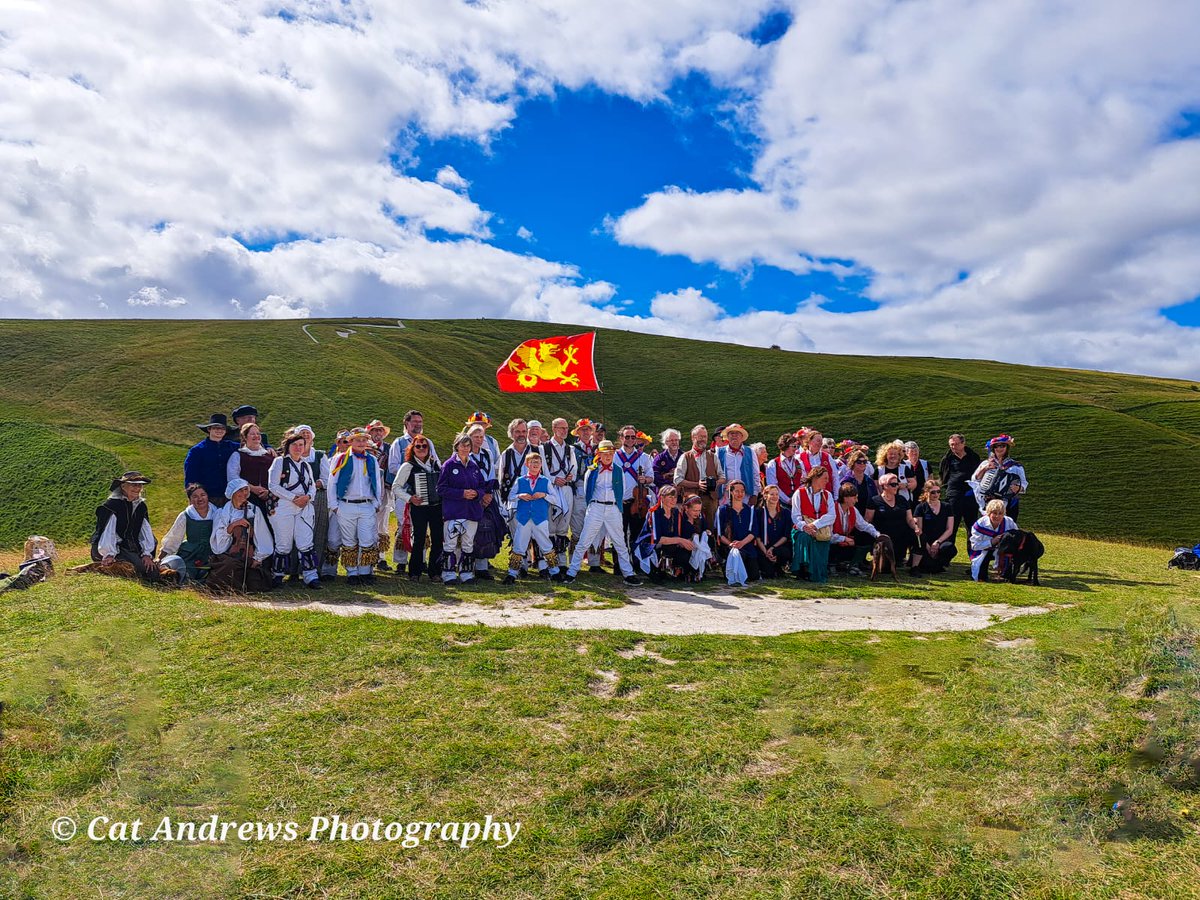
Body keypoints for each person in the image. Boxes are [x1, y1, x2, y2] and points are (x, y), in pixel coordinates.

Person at [561, 440, 642, 586]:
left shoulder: (618, 470)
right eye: (605, 454)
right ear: (599, 454)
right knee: (584, 540)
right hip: (596, 507)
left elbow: (621, 490)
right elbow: (587, 491)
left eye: (611, 454)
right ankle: (572, 572)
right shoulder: (591, 470)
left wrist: (616, 505)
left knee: (620, 542)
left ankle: (628, 573)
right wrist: (593, 506)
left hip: (613, 508)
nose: (608, 457)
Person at [80, 472, 166, 582]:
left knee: (151, 571)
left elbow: (145, 532)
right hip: (107, 548)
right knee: (138, 570)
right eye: (133, 485)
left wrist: (147, 554)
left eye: (139, 485)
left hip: (130, 547)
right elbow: (108, 532)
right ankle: (94, 567)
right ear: (123, 486)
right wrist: (109, 554)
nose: (137, 488)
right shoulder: (112, 506)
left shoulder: (141, 506)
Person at [328, 427, 384, 586]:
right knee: (349, 540)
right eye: (357, 440)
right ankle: (352, 572)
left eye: (364, 440)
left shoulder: (371, 460)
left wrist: (376, 503)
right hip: (346, 505)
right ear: (351, 442)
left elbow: (377, 483)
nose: (361, 443)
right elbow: (332, 483)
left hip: (366, 504)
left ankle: (365, 571)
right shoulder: (340, 458)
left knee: (367, 539)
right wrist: (335, 505)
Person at [267, 431, 321, 589]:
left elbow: (312, 485)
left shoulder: (306, 465)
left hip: (304, 507)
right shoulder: (279, 462)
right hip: (284, 507)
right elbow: (273, 485)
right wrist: (293, 498)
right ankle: (278, 575)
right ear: (287, 446)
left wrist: (308, 498)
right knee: (283, 544)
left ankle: (311, 575)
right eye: (295, 445)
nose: (298, 448)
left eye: (301, 445)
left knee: (306, 543)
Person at [387, 410, 438, 570]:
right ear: (406, 424)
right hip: (406, 492)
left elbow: (436, 463)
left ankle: (420, 560)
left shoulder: (427, 442)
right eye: (414, 421)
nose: (418, 424)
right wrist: (410, 472)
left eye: (420, 422)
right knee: (404, 526)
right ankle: (401, 561)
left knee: (421, 528)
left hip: (424, 493)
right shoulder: (399, 442)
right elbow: (392, 466)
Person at [208, 478, 275, 592]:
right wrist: (233, 525)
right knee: (229, 566)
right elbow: (219, 545)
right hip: (229, 554)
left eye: (245, 490)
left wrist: (257, 558)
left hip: (250, 554)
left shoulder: (254, 511)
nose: (244, 493)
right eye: (240, 490)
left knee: (255, 579)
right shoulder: (222, 513)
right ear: (232, 493)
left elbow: (263, 536)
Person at [503, 453, 562, 584]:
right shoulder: (520, 480)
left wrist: (543, 495)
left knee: (546, 544)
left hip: (540, 518)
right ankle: (512, 573)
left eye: (538, 462)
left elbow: (555, 498)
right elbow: (510, 496)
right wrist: (520, 495)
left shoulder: (545, 481)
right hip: (523, 518)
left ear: (541, 465)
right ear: (527, 464)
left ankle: (555, 572)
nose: (535, 465)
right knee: (519, 544)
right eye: (532, 462)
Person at [438, 432, 486, 584]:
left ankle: (466, 574)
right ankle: (448, 574)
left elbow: (482, 486)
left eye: (467, 445)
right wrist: (461, 493)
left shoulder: (473, 466)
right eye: (462, 445)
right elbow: (441, 489)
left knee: (468, 543)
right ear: (456, 446)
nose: (465, 448)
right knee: (450, 543)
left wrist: (476, 493)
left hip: (471, 512)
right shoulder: (449, 465)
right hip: (454, 511)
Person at [394, 433, 443, 582]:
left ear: (429, 448)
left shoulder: (436, 464)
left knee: (437, 539)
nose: (421, 449)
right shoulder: (408, 466)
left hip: (436, 506)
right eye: (418, 446)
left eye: (424, 446)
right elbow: (396, 487)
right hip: (419, 506)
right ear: (412, 448)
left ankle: (435, 572)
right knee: (419, 538)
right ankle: (414, 572)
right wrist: (410, 498)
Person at [467, 422, 503, 580]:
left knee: (486, 529)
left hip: (486, 496)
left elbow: (491, 474)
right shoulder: (465, 454)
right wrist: (479, 495)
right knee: (470, 531)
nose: (479, 439)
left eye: (481, 437)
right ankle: (467, 565)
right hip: (471, 497)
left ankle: (482, 566)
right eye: (476, 437)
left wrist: (488, 494)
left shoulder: (487, 453)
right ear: (469, 437)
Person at [633, 486, 693, 581]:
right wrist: (680, 540)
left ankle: (674, 570)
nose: (673, 500)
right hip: (650, 545)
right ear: (662, 498)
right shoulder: (654, 513)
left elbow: (676, 534)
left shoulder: (676, 512)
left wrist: (686, 542)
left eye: (675, 497)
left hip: (668, 543)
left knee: (684, 551)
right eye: (670, 497)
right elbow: (657, 539)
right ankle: (655, 569)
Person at [159, 483, 216, 583]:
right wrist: (160, 558)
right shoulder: (185, 515)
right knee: (187, 576)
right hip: (190, 554)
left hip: (211, 552)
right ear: (190, 500)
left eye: (203, 495)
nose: (200, 499)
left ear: (207, 496)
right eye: (195, 496)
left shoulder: (217, 513)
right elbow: (174, 538)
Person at [790, 465, 836, 583]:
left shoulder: (827, 495)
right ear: (815, 478)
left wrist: (815, 525)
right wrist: (805, 527)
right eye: (825, 478)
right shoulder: (799, 493)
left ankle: (814, 571)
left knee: (821, 541)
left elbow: (832, 516)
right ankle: (803, 569)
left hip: (820, 530)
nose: (827, 481)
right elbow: (795, 516)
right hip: (802, 529)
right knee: (805, 537)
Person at [183, 414, 240, 507]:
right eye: (216, 428)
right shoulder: (197, 450)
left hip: (230, 496)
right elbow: (190, 476)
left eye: (222, 428)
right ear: (209, 429)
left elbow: (252, 446)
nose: (219, 430)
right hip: (208, 498)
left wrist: (268, 447)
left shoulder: (232, 446)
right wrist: (193, 496)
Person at [674, 424, 723, 531]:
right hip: (691, 499)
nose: (703, 439)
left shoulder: (713, 456)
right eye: (700, 436)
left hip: (710, 499)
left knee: (711, 528)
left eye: (705, 437)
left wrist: (715, 483)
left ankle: (710, 546)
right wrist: (697, 484)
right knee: (693, 528)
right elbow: (677, 479)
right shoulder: (685, 457)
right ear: (693, 438)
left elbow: (722, 477)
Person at [865, 473, 918, 570]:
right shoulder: (874, 501)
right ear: (884, 486)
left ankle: (914, 566)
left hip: (901, 535)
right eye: (893, 484)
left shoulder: (902, 500)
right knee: (885, 570)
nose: (896, 486)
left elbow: (910, 519)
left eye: (897, 484)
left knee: (917, 536)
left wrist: (916, 527)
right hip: (884, 538)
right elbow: (868, 521)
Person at [615, 424, 655, 553]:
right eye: (627, 437)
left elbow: (651, 477)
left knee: (636, 534)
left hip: (637, 502)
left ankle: (637, 563)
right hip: (619, 501)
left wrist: (645, 479)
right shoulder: (614, 456)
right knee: (618, 535)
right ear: (621, 438)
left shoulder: (644, 457)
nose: (630, 440)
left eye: (633, 437)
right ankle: (619, 565)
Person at [970, 434, 1028, 521]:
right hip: (988, 501)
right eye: (996, 446)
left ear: (1007, 448)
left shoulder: (1016, 466)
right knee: (987, 525)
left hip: (1009, 502)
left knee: (1008, 528)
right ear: (993, 448)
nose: (999, 448)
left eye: (1002, 446)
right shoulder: (986, 463)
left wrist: (1019, 488)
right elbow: (975, 479)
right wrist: (985, 468)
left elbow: (1023, 483)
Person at [542, 418, 578, 556]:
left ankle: (562, 562)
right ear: (554, 429)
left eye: (566, 428)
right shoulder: (544, 448)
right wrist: (553, 479)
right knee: (551, 525)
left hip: (567, 488)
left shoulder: (570, 449)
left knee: (564, 525)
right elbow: (543, 470)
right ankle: (551, 562)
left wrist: (570, 477)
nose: (564, 431)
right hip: (551, 489)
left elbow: (574, 469)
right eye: (561, 428)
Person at [829, 483, 880, 576]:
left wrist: (877, 534)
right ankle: (832, 565)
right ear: (846, 497)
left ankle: (853, 564)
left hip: (846, 542)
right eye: (854, 497)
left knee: (867, 536)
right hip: (832, 542)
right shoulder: (832, 509)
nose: (856, 500)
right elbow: (828, 535)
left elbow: (864, 525)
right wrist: (844, 539)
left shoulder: (853, 510)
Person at [910, 478, 958, 575]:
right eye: (933, 492)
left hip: (940, 541)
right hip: (926, 541)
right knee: (927, 565)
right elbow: (920, 530)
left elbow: (950, 529)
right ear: (926, 492)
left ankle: (940, 564)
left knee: (950, 548)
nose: (936, 495)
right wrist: (928, 546)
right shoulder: (921, 507)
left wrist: (938, 542)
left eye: (938, 492)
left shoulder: (947, 507)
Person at [940, 433, 982, 541]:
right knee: (952, 525)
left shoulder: (973, 457)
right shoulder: (947, 459)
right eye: (951, 445)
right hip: (954, 495)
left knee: (972, 526)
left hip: (970, 494)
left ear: (963, 443)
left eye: (955, 444)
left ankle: (973, 553)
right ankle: (948, 551)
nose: (953, 447)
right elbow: (943, 474)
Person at [365, 419, 395, 571]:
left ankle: (381, 557)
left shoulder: (389, 449)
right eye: (374, 431)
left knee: (382, 523)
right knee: (366, 523)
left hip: (384, 489)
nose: (377, 433)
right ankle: (367, 555)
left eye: (380, 431)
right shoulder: (364, 448)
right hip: (366, 491)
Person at [716, 480, 759, 583]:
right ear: (731, 492)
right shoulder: (722, 510)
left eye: (742, 491)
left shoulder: (750, 510)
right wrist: (731, 544)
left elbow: (753, 532)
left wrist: (742, 543)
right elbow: (720, 534)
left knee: (753, 576)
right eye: (737, 491)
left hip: (747, 546)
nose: (740, 494)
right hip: (730, 546)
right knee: (738, 558)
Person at [226, 423, 276, 508]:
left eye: (258, 433)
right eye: (252, 434)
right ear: (245, 437)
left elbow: (278, 476)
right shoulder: (238, 455)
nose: (256, 436)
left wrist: (269, 492)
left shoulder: (271, 455)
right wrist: (252, 488)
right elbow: (232, 478)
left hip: (271, 499)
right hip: (247, 500)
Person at [969, 498, 1020, 581]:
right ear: (988, 513)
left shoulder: (1009, 522)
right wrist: (992, 542)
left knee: (1009, 557)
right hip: (984, 551)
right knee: (980, 576)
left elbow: (1017, 537)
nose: (997, 516)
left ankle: (1004, 574)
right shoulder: (980, 525)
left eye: (1000, 513)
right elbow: (974, 546)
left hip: (1003, 551)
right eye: (994, 513)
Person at [569, 418, 598, 559]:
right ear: (578, 433)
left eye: (588, 429)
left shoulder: (598, 449)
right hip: (579, 487)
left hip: (595, 489)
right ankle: (575, 561)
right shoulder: (572, 449)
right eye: (583, 430)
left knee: (594, 524)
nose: (586, 432)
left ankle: (594, 562)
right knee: (577, 524)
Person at [755, 484, 793, 578]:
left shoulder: (785, 513)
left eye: (776, 494)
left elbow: (785, 535)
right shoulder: (759, 512)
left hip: (777, 546)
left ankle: (779, 566)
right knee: (769, 574)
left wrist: (772, 548)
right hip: (763, 547)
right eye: (772, 494)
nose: (775, 497)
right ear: (765, 496)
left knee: (784, 552)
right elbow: (757, 536)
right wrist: (766, 552)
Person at [716, 424, 759, 503]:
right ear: (727, 437)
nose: (734, 436)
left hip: (745, 495)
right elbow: (715, 472)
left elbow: (756, 474)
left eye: (737, 433)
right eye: (731, 433)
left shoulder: (750, 452)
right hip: (725, 494)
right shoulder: (719, 452)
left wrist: (755, 494)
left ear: (742, 437)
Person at [679, 495, 714, 581]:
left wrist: (707, 532)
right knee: (684, 556)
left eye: (699, 511)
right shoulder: (681, 519)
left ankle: (699, 572)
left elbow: (705, 529)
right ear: (686, 508)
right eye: (694, 510)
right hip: (685, 547)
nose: (697, 513)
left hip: (698, 547)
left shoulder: (700, 520)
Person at [765, 432, 802, 501]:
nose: (796, 449)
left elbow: (802, 481)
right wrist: (787, 500)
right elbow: (773, 486)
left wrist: (797, 498)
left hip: (798, 500)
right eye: (794, 446)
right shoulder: (773, 463)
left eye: (797, 446)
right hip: (781, 502)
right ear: (785, 446)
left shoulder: (799, 462)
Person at [840, 449, 878, 515]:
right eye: (859, 462)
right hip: (850, 514)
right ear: (852, 463)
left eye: (864, 461)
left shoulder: (869, 481)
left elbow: (874, 499)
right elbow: (843, 502)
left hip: (868, 515)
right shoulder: (846, 481)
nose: (862, 464)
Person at [653, 429, 682, 494]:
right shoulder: (659, 458)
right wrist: (670, 486)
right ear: (666, 442)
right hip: (665, 493)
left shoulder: (685, 456)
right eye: (671, 440)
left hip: (681, 493)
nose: (674, 442)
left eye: (676, 440)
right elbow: (655, 476)